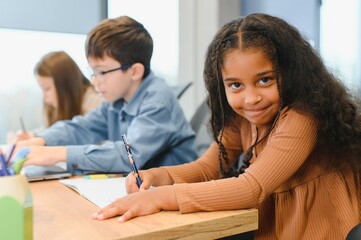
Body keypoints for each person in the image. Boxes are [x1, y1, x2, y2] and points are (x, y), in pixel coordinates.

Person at [92, 13, 361, 239]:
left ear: (290, 72)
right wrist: (159, 176)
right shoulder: (243, 118)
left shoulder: (302, 117)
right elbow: (208, 168)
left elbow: (250, 188)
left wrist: (157, 198)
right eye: (235, 85)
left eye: (265, 80)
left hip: (321, 229)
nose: (251, 97)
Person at [15, 16, 198, 175]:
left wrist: (58, 153)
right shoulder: (116, 100)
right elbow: (82, 127)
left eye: (102, 72)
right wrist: (41, 140)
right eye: (93, 72)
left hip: (175, 197)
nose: (94, 81)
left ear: (134, 71)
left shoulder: (158, 103)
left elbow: (128, 156)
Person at [15, 51, 102, 141]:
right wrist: (33, 136)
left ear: (65, 85)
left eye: (47, 89)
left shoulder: (96, 104)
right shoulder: (57, 106)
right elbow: (50, 130)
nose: (44, 96)